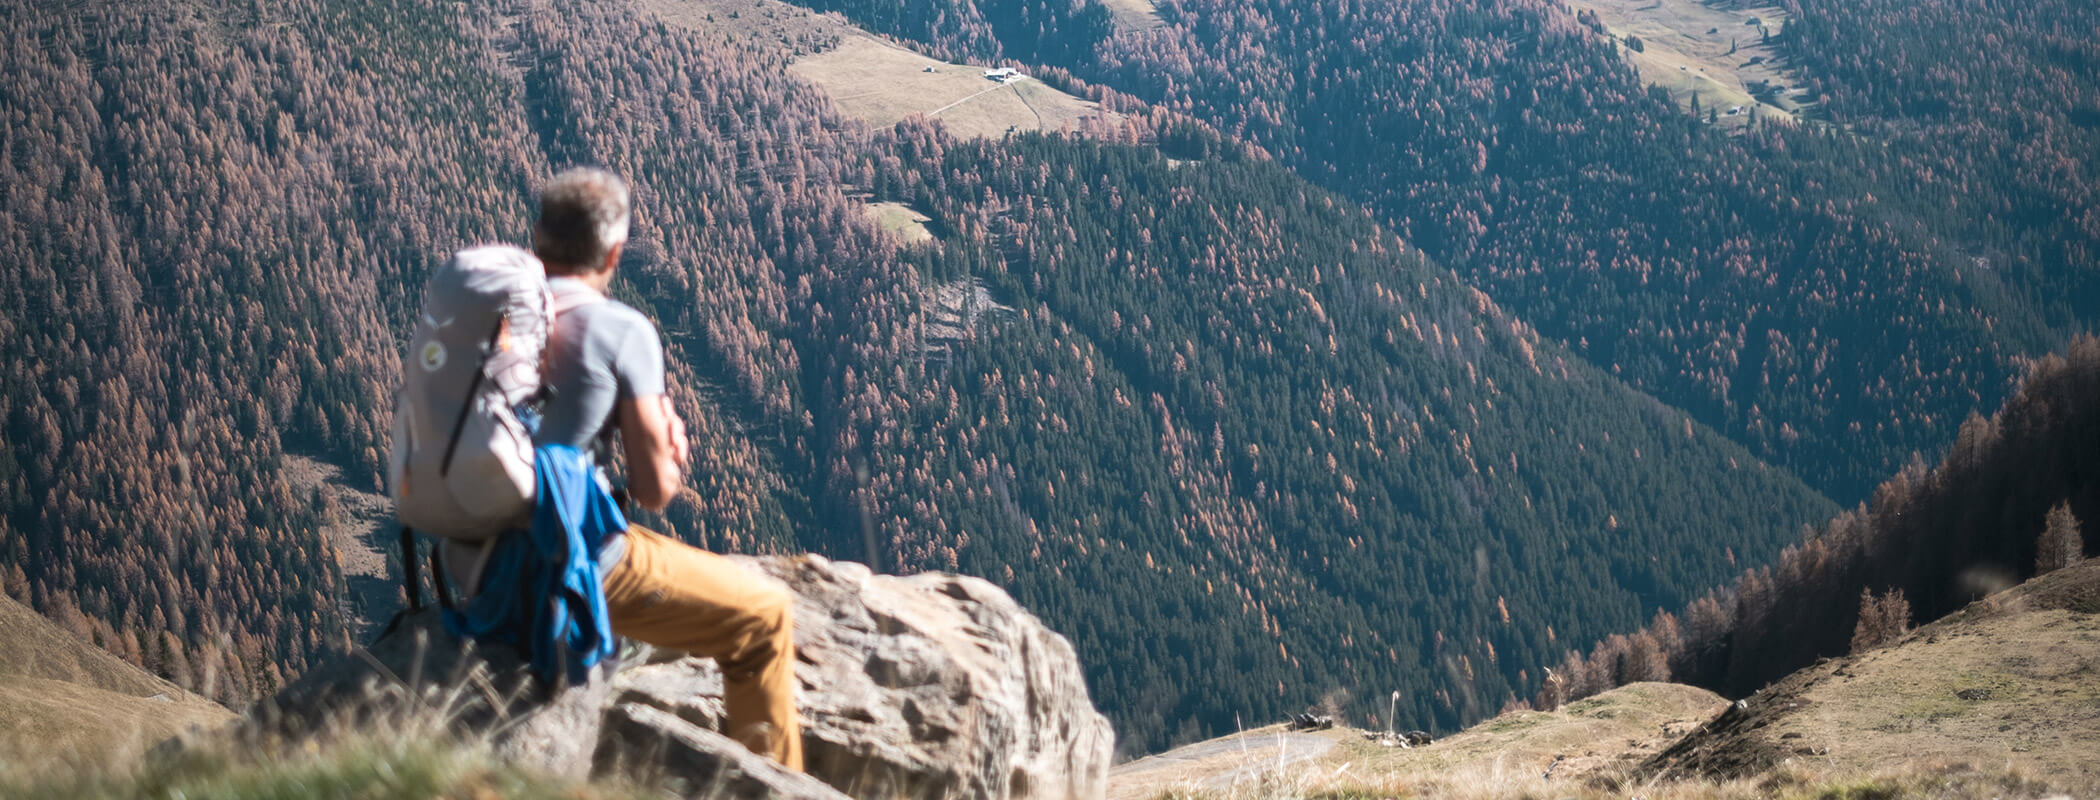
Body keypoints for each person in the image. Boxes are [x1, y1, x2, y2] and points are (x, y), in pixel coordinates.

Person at [529, 166, 803, 770]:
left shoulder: (494, 319)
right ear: (616, 251)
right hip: (566, 561)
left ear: (537, 239)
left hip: (466, 554)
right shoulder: (620, 329)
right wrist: (669, 450)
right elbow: (653, 492)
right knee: (764, 619)